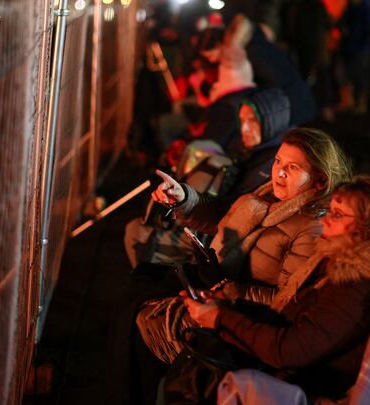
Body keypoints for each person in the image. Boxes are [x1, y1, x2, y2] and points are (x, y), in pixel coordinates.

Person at [179, 176, 370, 400]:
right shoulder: (338, 262)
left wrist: (221, 318)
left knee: (191, 374)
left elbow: (289, 351)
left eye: (338, 214)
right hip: (294, 374)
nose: (326, 219)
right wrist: (228, 308)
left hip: (304, 389)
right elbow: (295, 322)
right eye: (330, 209)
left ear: (369, 229)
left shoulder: (358, 284)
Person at [135, 128, 353, 365]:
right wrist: (184, 199)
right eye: (278, 161)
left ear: (320, 180)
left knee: (144, 323)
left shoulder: (312, 227)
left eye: (293, 168)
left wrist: (226, 289)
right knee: (140, 290)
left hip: (242, 317)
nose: (278, 172)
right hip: (216, 291)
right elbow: (222, 216)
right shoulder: (268, 194)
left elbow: (287, 300)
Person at [124, 87, 292, 268]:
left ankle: (153, 287)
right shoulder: (247, 147)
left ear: (271, 122)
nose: (244, 128)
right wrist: (183, 197)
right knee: (139, 227)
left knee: (136, 233)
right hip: (206, 220)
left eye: (252, 121)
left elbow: (231, 213)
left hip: (216, 237)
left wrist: (187, 203)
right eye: (242, 120)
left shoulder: (270, 165)